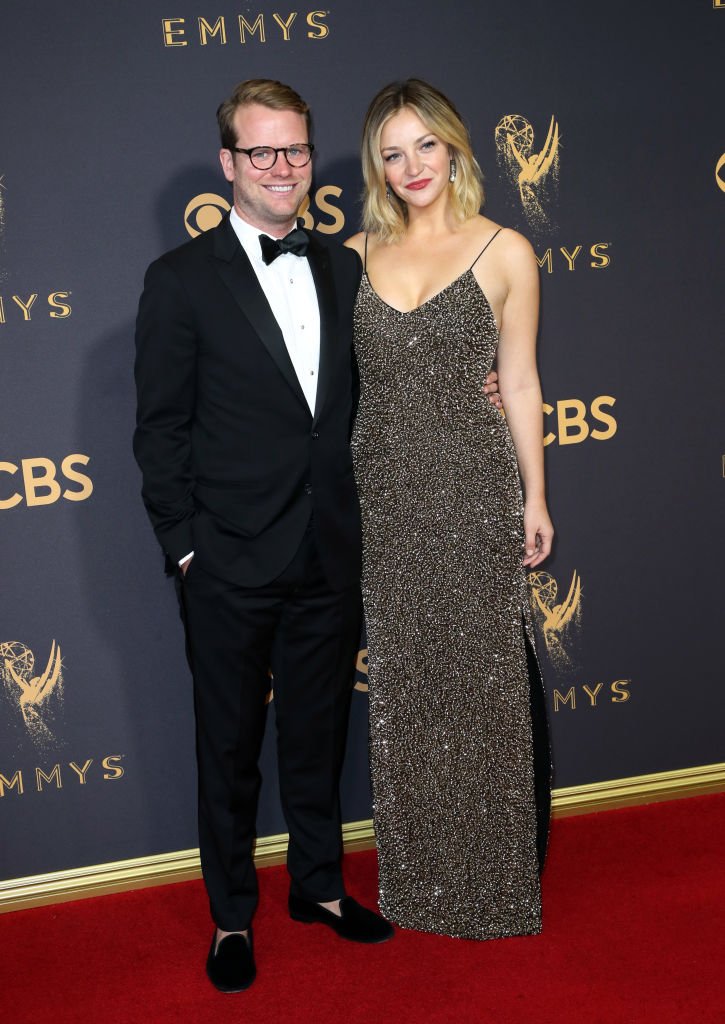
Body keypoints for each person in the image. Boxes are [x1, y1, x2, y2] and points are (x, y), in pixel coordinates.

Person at [133, 78, 396, 995]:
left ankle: (317, 889)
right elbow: (160, 430)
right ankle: (232, 916)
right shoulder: (178, 280)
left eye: (295, 150)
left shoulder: (343, 267)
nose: (283, 168)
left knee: (319, 735)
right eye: (262, 152)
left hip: (328, 546)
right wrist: (186, 545)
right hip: (229, 557)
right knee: (229, 746)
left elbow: (368, 400)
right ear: (228, 165)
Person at [345, 79, 554, 940]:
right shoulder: (349, 253)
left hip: (472, 489)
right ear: (376, 166)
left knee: (485, 686)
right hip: (382, 496)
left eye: (423, 145)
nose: (410, 167)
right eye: (392, 153)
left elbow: (519, 380)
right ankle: (422, 879)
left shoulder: (505, 250)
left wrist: (535, 495)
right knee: (406, 690)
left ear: (454, 146)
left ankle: (498, 877)